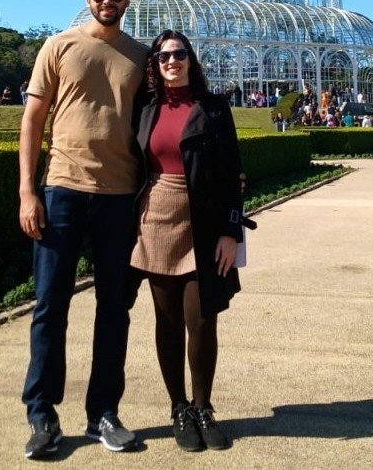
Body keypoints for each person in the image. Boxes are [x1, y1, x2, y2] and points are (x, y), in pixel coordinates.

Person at [18, 0, 148, 459]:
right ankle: (42, 415)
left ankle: (103, 414)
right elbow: (32, 120)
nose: (107, 1)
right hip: (63, 190)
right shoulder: (59, 46)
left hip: (119, 195)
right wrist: (27, 192)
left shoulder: (140, 56)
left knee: (114, 309)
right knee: (50, 305)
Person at [129, 29, 249, 452]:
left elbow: (233, 172)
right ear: (154, 64)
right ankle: (179, 408)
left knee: (201, 319)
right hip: (156, 217)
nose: (172, 62)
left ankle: (203, 407)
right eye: (163, 56)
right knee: (167, 321)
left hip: (204, 219)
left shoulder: (213, 107)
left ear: (190, 60)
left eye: (179, 54)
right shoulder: (144, 108)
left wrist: (230, 232)